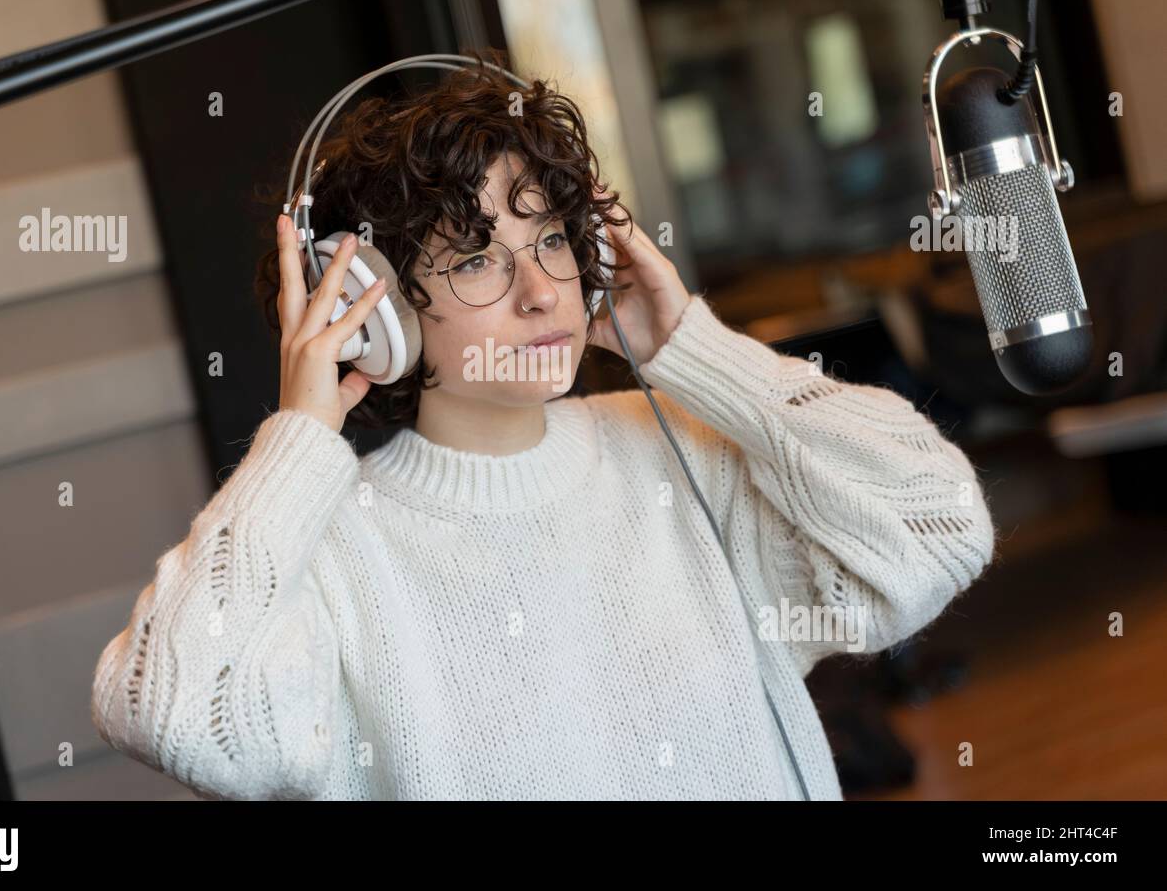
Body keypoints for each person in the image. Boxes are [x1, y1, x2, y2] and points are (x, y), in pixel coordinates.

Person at [90, 55, 998, 800]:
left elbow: (938, 524)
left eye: (554, 240)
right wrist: (299, 438)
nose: (540, 292)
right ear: (373, 312)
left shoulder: (682, 453)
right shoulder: (329, 552)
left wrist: (697, 350)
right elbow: (173, 711)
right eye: (478, 257)